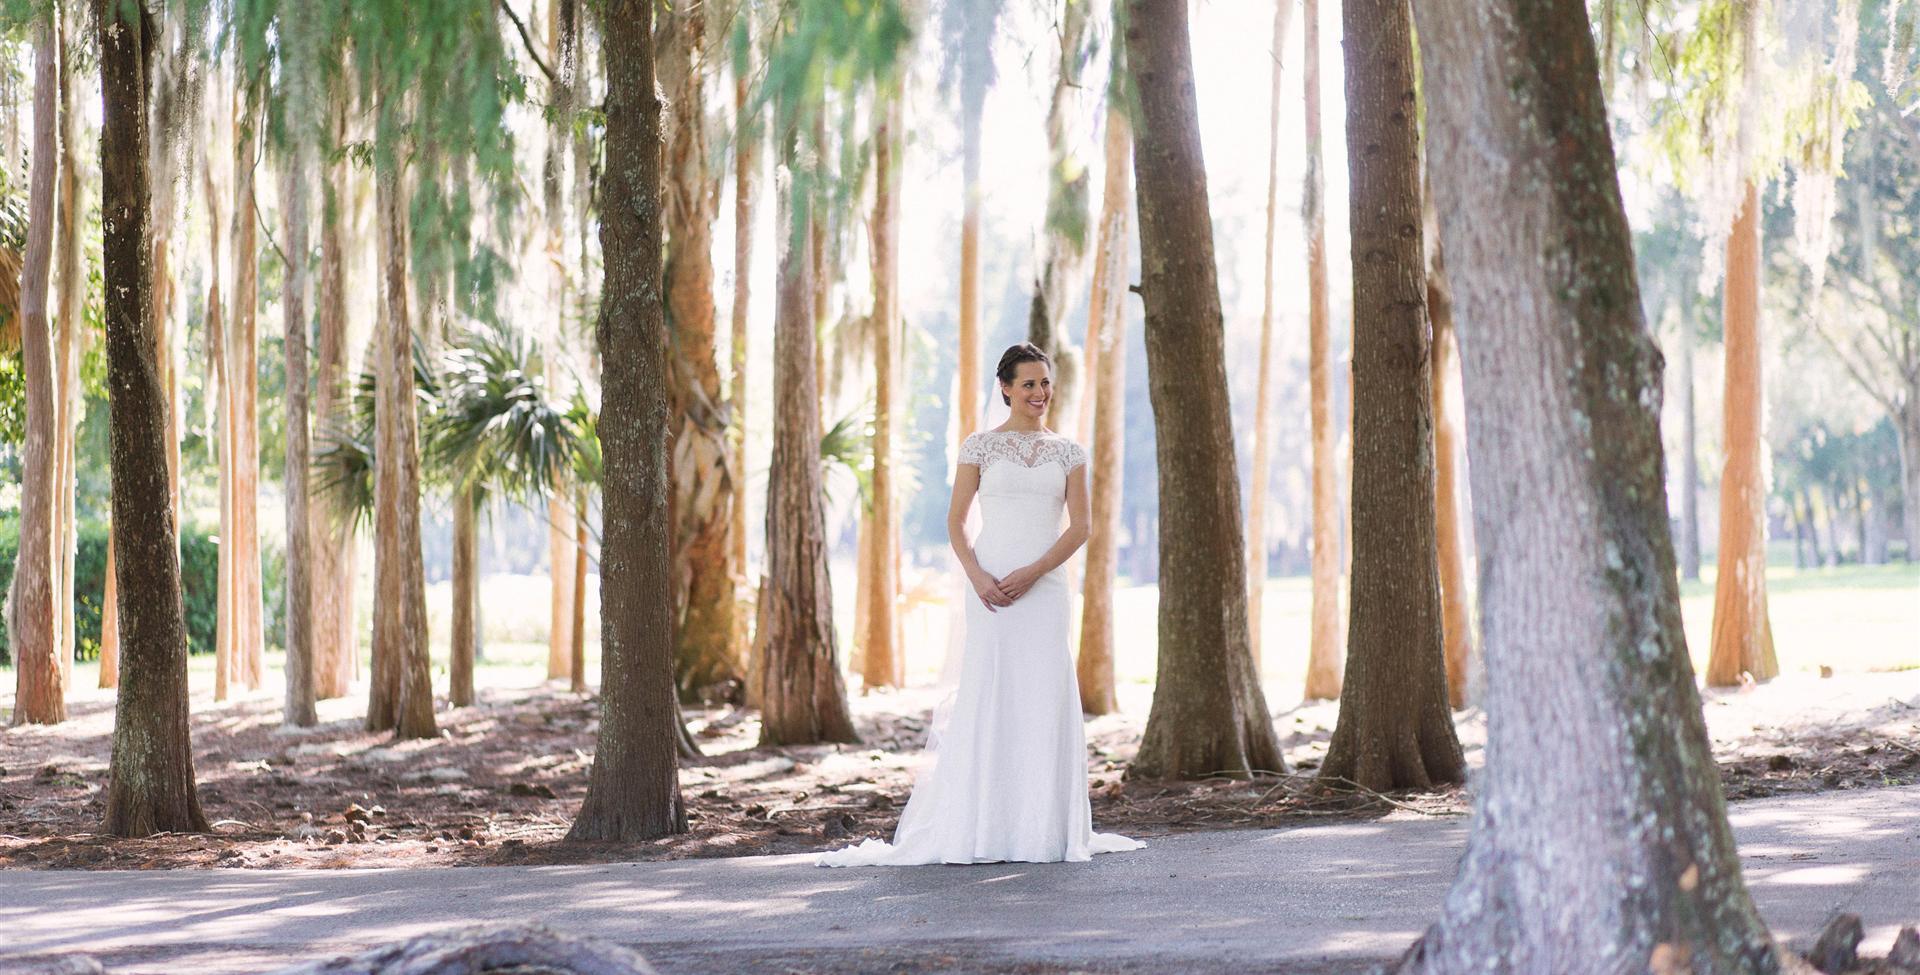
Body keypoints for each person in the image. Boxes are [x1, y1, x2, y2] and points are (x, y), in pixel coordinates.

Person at [816, 343, 1145, 866]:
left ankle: (1042, 828)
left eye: (1046, 383)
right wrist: (978, 577)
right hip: (988, 587)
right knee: (991, 690)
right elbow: (955, 521)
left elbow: (1082, 527)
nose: (1041, 393)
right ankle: (984, 824)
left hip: (1045, 589)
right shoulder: (980, 447)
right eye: (1030, 384)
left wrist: (1034, 572)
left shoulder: (1069, 453)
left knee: (1043, 694)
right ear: (1007, 389)